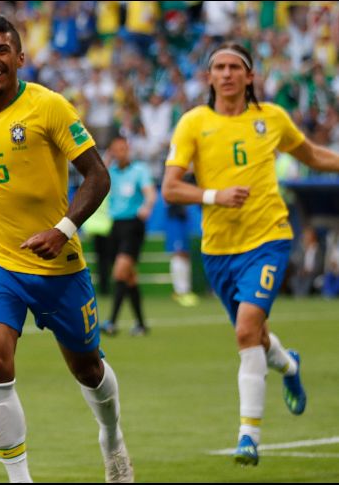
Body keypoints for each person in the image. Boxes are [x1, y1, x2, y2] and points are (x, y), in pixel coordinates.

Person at [0, 15, 133, 483]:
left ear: (19, 58)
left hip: (58, 264)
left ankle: (112, 437)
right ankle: (20, 479)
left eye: (0, 51)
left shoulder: (49, 107)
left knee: (89, 368)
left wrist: (64, 229)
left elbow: (97, 175)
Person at [162, 42, 339, 466]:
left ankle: (248, 436)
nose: (225, 74)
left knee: (245, 331)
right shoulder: (193, 123)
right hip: (219, 250)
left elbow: (311, 155)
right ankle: (289, 367)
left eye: (234, 67)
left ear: (250, 76)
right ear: (209, 77)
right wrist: (213, 195)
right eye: (218, 67)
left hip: (269, 239)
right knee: (255, 336)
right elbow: (171, 187)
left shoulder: (272, 118)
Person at [100, 136, 156, 337]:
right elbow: (95, 178)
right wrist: (106, 160)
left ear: (128, 149)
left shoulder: (139, 170)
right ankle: (141, 324)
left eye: (123, 149)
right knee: (130, 277)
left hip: (133, 225)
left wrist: (147, 206)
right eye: (115, 150)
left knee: (120, 272)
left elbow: (150, 192)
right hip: (116, 226)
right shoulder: (111, 172)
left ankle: (111, 322)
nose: (120, 153)